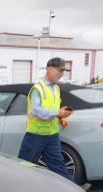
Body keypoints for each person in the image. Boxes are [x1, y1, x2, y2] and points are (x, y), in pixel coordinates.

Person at [18, 57, 81, 185]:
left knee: (58, 166)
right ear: (49, 69)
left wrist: (60, 117)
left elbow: (52, 108)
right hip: (35, 135)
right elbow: (37, 111)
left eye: (63, 71)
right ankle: (19, 191)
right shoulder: (38, 88)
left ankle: (73, 191)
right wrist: (58, 113)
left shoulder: (55, 88)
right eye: (59, 70)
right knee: (23, 166)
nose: (61, 74)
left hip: (51, 135)